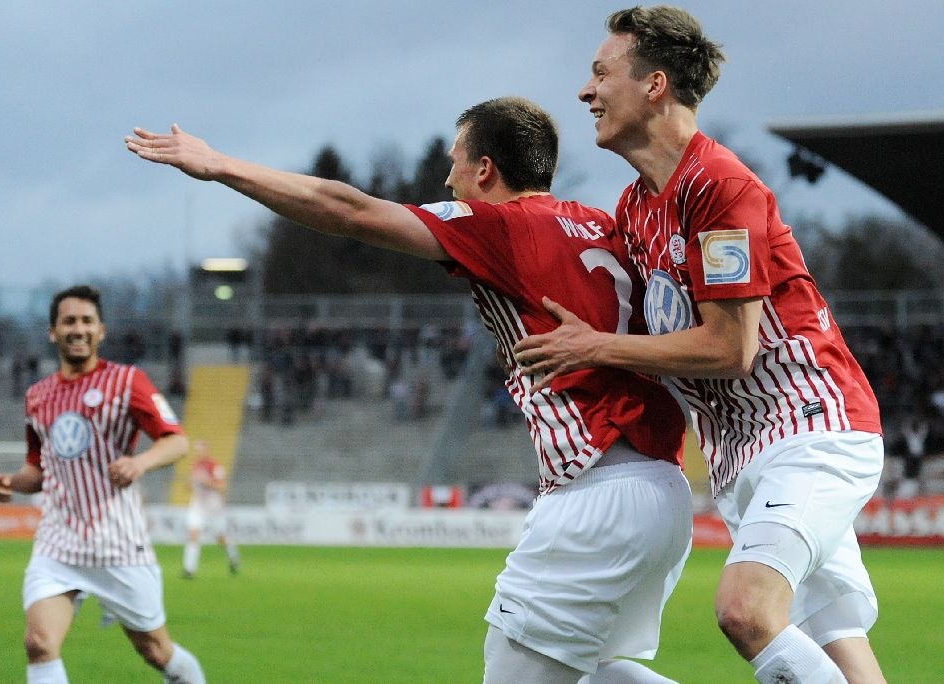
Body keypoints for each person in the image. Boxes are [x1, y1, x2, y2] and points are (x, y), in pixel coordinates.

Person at [126, 97, 693, 684]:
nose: (447, 178)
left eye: (455, 161)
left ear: (485, 170)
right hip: (663, 489)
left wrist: (221, 165)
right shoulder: (601, 223)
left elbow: (348, 210)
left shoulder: (500, 224)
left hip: (598, 492)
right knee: (591, 672)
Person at [513, 7, 885, 683]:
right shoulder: (635, 207)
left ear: (654, 84)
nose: (586, 91)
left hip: (811, 430)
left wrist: (593, 348)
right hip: (740, 457)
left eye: (601, 73)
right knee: (836, 643)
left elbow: (729, 348)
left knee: (746, 610)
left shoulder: (718, 186)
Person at [0, 285, 205, 684]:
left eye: (87, 321)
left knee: (156, 651)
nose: (79, 329)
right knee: (39, 643)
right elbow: (39, 470)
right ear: (53, 331)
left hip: (118, 543)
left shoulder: (128, 382)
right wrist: (11, 482)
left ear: (101, 331)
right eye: (69, 321)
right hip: (58, 544)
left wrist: (139, 463)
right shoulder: (37, 397)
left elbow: (177, 441)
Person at [182, 439, 241, 578]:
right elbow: (191, 486)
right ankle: (189, 569)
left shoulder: (215, 466)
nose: (198, 453)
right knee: (193, 534)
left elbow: (222, 486)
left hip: (214, 508)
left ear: (206, 451)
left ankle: (233, 556)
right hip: (198, 507)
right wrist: (189, 484)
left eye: (200, 450)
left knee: (220, 538)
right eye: (196, 451)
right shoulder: (195, 466)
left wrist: (206, 482)